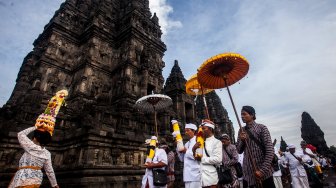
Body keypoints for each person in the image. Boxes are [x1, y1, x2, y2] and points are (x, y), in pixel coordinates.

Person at [8, 90, 68, 188]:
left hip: (22, 178)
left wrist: (36, 126)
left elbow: (21, 134)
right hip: (36, 179)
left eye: (33, 136)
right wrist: (54, 184)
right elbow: (49, 171)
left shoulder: (30, 146)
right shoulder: (46, 153)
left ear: (35, 138)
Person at [236, 106, 276, 188]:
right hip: (248, 173)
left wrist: (262, 170)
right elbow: (239, 150)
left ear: (252, 115)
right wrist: (242, 140)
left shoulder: (261, 128)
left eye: (244, 114)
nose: (242, 116)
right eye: (241, 115)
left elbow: (270, 150)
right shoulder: (241, 130)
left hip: (264, 172)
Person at [193, 120, 222, 188]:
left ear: (210, 129)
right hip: (200, 178)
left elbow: (218, 159)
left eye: (204, 129)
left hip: (211, 179)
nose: (201, 131)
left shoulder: (217, 142)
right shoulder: (201, 141)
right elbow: (196, 158)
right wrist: (193, 149)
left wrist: (202, 159)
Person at [176, 123, 201, 188]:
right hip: (187, 174)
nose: (186, 132)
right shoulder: (187, 144)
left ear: (193, 131)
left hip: (196, 174)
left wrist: (186, 151)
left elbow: (198, 157)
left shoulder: (198, 141)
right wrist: (178, 148)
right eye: (185, 131)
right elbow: (182, 159)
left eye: (188, 130)